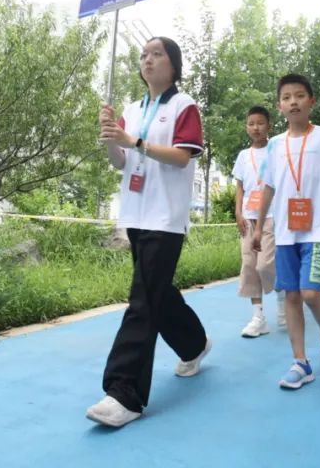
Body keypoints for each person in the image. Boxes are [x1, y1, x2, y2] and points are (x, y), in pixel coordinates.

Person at [87, 36, 211, 428]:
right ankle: (194, 343)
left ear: (174, 64)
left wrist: (135, 141)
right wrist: (112, 138)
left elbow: (182, 156)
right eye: (144, 55)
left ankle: (124, 393)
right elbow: (120, 162)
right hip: (136, 215)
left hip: (166, 218)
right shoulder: (132, 109)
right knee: (157, 293)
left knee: (142, 300)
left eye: (157, 54)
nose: (148, 60)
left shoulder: (183, 105)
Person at [252, 74, 320, 390]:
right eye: (286, 97)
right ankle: (300, 362)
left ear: (312, 101)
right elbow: (268, 187)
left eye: (299, 95)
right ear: (279, 106)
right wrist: (258, 227)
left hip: (316, 230)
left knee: (311, 293)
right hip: (285, 232)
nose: (293, 102)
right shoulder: (275, 144)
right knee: (291, 295)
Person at [232, 105, 283, 337]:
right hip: (248, 218)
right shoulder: (244, 156)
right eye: (251, 124)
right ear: (246, 127)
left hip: (271, 216)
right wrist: (238, 212)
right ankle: (258, 317)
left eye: (260, 123)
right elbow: (240, 187)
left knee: (265, 264)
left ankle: (283, 294)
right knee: (249, 265)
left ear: (269, 126)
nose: (256, 128)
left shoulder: (276, 151)